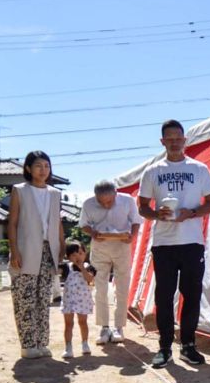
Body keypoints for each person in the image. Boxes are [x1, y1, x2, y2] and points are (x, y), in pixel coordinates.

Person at [138, 120, 210, 369]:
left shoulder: (199, 169)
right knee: (164, 295)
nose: (174, 142)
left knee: (192, 295)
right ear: (162, 142)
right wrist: (155, 215)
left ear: (185, 140)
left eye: (178, 138)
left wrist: (191, 213)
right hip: (163, 243)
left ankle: (188, 345)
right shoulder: (152, 171)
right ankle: (164, 347)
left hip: (192, 242)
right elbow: (142, 207)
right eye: (169, 138)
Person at [8, 150, 65, 359]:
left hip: (48, 250)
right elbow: (12, 223)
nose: (43, 170)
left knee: (43, 298)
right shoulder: (19, 190)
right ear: (28, 169)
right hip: (25, 249)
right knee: (25, 297)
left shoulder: (54, 193)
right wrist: (14, 250)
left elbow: (57, 223)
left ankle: (42, 342)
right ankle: (27, 344)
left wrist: (62, 245)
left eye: (47, 166)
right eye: (39, 166)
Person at [79, 179, 141, 345]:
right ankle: (104, 327)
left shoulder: (128, 200)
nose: (106, 205)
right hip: (99, 248)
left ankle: (119, 326)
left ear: (116, 193)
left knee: (122, 286)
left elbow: (136, 221)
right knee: (100, 288)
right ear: (95, 197)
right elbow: (83, 224)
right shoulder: (88, 204)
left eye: (110, 201)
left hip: (122, 246)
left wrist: (132, 236)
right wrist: (92, 232)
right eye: (102, 202)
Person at [60, 240, 96, 359]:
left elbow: (90, 279)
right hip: (69, 300)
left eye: (80, 253)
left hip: (83, 300)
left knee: (83, 322)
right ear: (69, 257)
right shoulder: (66, 267)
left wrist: (82, 268)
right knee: (68, 324)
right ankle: (68, 347)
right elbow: (56, 271)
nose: (77, 257)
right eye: (74, 255)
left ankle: (85, 343)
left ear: (85, 254)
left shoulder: (88, 267)